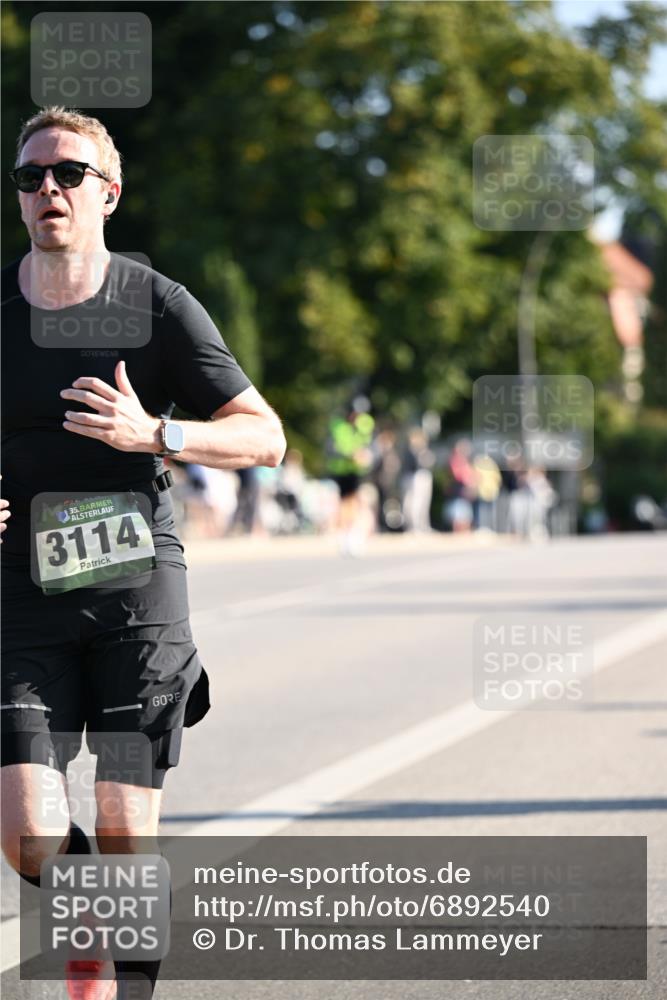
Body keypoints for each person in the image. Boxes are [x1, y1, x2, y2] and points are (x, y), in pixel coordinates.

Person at [1, 106, 286, 999]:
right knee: (29, 835)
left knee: (125, 828)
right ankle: (97, 918)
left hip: (137, 594)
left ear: (108, 193)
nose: (48, 187)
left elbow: (265, 437)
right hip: (19, 592)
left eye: (69, 173)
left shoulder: (155, 304)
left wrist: (154, 432)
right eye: (30, 175)